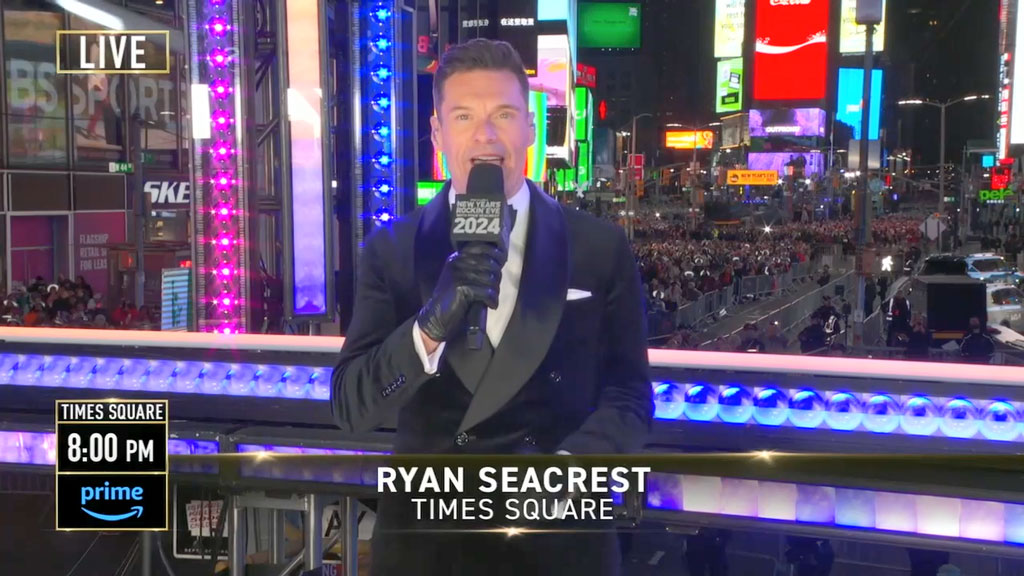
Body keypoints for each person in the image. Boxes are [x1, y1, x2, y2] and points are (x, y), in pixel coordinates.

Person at [330, 39, 652, 576]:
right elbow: (351, 407)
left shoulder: (598, 246)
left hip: (561, 545)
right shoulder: (391, 250)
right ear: (438, 134)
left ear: (530, 127)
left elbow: (631, 395)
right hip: (429, 547)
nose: (485, 135)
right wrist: (429, 329)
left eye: (503, 114)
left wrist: (571, 472)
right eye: (464, 116)